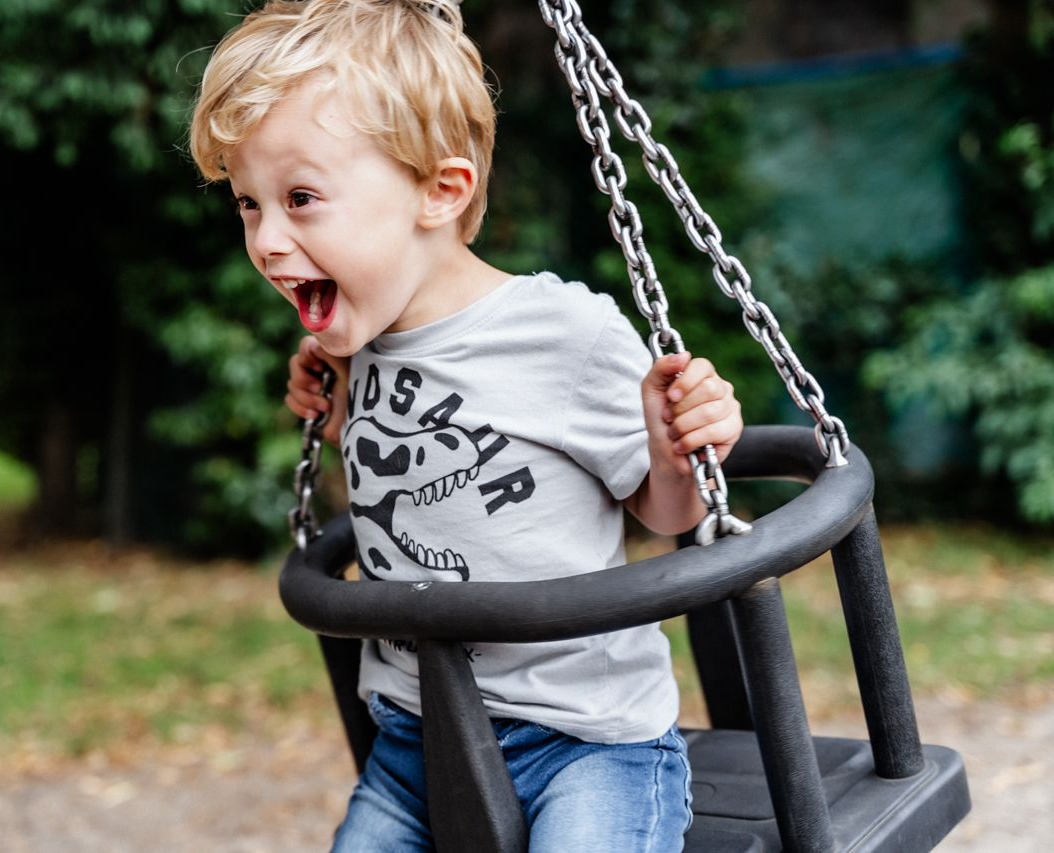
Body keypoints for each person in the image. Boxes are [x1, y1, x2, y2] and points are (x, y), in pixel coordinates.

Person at [190, 1, 743, 849]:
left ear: (440, 191)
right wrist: (337, 416)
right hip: (419, 739)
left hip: (587, 742)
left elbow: (666, 515)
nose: (266, 240)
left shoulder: (565, 331)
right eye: (248, 205)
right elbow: (406, 488)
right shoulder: (361, 344)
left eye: (300, 198)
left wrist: (676, 452)